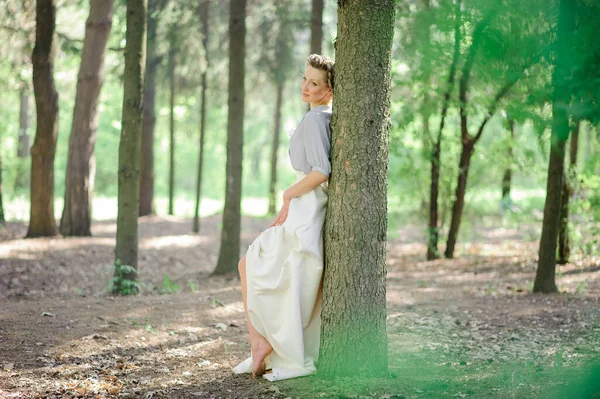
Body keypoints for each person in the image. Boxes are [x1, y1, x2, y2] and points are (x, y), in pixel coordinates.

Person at [233, 54, 334, 381]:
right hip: (308, 205)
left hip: (306, 205)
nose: (305, 86)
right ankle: (261, 342)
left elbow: (321, 170)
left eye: (314, 83)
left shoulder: (317, 119)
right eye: (304, 79)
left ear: (329, 88)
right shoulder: (321, 115)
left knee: (253, 264)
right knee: (267, 270)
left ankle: (260, 343)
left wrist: (288, 195)